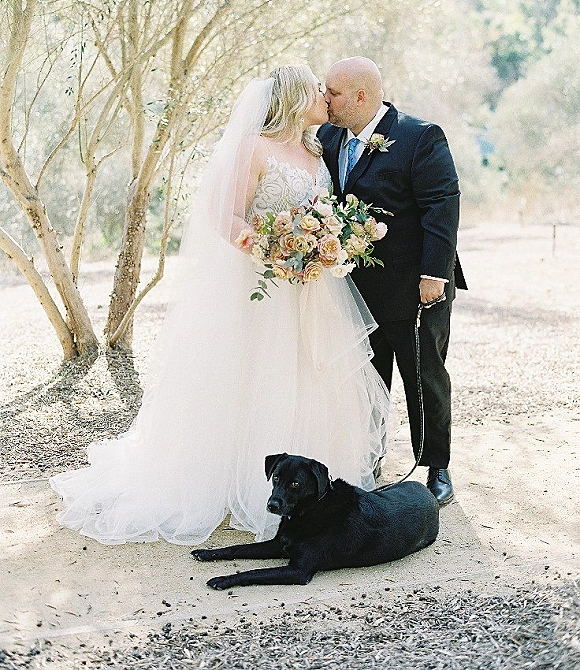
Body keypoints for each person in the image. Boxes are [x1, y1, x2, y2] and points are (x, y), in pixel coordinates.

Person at [50, 65, 396, 546]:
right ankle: (243, 484)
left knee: (311, 378)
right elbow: (225, 215)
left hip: (312, 290)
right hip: (263, 287)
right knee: (259, 379)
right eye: (318, 89)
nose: (325, 96)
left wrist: (324, 244)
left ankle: (311, 487)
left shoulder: (318, 149)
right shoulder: (254, 148)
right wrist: (272, 249)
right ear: (296, 98)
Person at [318, 57, 467, 506]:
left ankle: (435, 466)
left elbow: (443, 204)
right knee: (366, 379)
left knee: (423, 377)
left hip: (416, 288)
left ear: (361, 96)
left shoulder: (420, 136)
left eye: (333, 93)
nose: (325, 100)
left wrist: (434, 275)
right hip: (353, 291)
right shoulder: (327, 138)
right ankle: (369, 458)